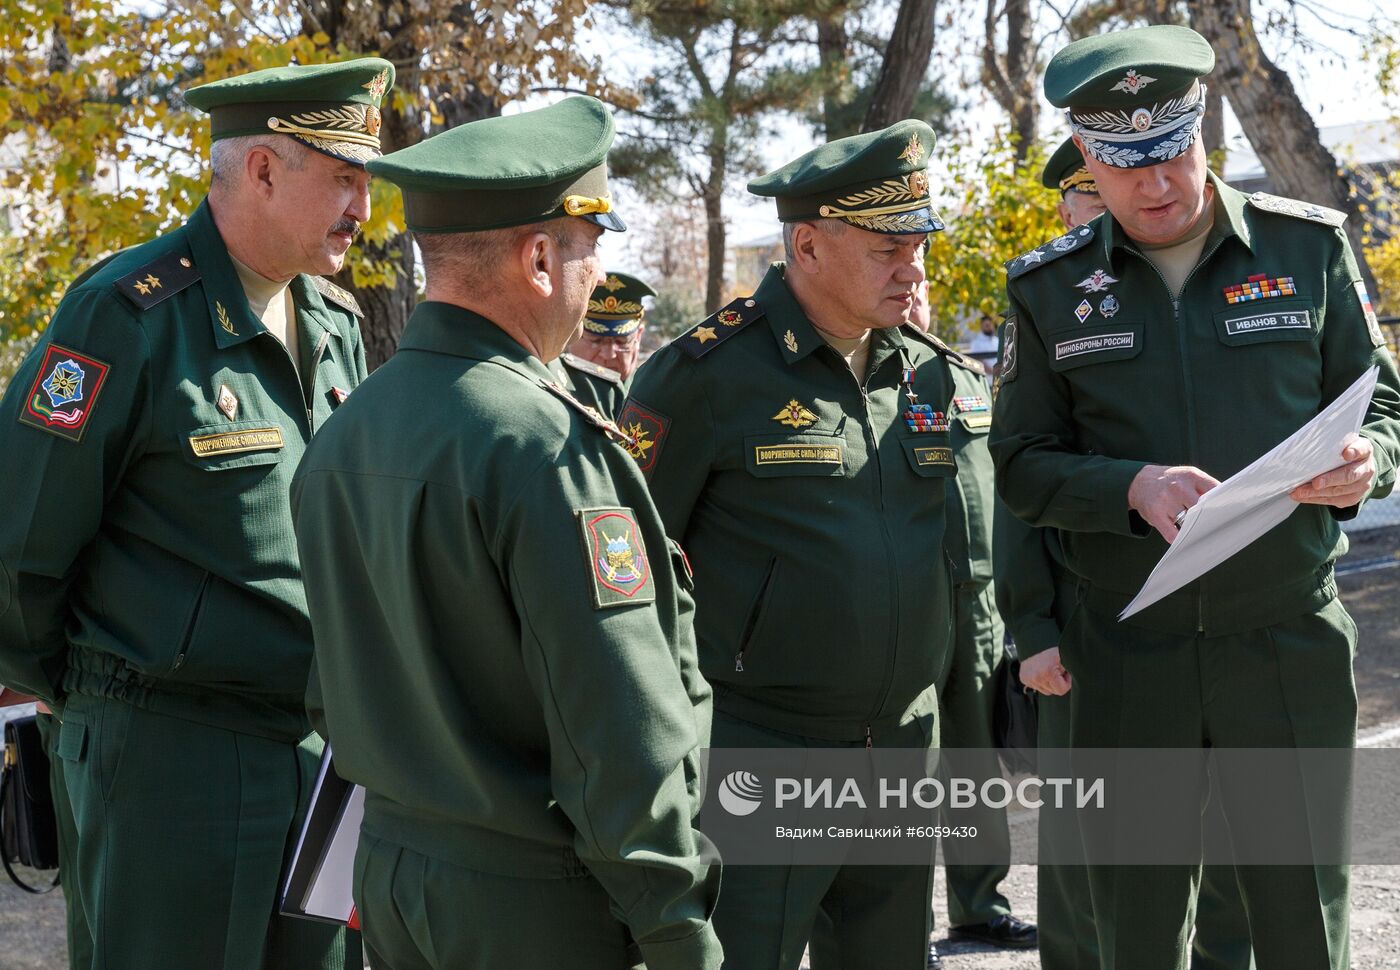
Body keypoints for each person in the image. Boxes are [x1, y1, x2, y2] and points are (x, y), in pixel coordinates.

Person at [990, 24, 1400, 970]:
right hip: (1128, 657)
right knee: (1134, 924)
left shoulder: (1307, 250)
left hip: (1286, 641)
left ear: (1204, 133)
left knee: (1303, 915)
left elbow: (1383, 399)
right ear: (1089, 158)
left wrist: (1366, 456)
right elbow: (1017, 464)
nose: (1158, 185)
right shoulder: (1049, 292)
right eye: (1127, 166)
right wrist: (1129, 486)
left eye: (1173, 154)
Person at [291, 95, 722, 970]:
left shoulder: (347, 429)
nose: (597, 274)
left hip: (396, 877)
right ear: (537, 258)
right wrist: (679, 931)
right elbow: (618, 730)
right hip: (533, 903)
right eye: (588, 248)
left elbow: (328, 693)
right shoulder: (543, 445)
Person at [0, 57, 393, 969]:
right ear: (261, 169)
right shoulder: (125, 316)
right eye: (343, 176)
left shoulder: (334, 324)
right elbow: (19, 544)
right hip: (170, 759)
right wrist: (98, 701)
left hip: (314, 756)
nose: (362, 207)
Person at [621, 119, 956, 970]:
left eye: (917, 244)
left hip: (904, 749)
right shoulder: (702, 377)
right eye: (888, 247)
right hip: (764, 752)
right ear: (806, 244)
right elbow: (632, 575)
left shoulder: (929, 373)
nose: (912, 268)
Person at [993, 135, 1253, 970]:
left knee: (1228, 849)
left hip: (1223, 626)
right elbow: (1022, 492)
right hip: (1094, 623)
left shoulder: (1191, 286)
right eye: (1093, 192)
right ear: (1075, 203)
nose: (1116, 204)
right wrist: (1033, 624)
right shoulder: (1050, 298)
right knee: (1088, 853)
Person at [906, 281, 1037, 967]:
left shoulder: (965, 376)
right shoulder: (859, 376)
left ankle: (980, 907)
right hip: (906, 602)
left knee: (975, 761)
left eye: (928, 282)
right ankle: (895, 924)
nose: (917, 294)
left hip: (979, 602)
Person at [551, 270, 655, 419]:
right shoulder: (549, 387)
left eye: (621, 341)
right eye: (595, 340)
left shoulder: (654, 395)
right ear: (572, 333)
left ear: (638, 335)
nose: (609, 354)